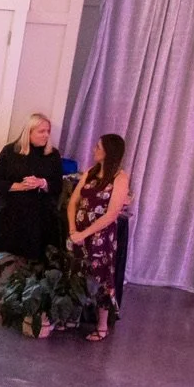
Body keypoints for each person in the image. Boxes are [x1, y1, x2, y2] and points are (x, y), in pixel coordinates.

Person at [67, 134, 130, 343]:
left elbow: (112, 214)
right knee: (77, 274)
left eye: (98, 147)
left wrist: (84, 234)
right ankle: (73, 316)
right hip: (79, 233)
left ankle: (102, 325)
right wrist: (73, 229)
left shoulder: (119, 178)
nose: (94, 149)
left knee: (101, 278)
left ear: (108, 152)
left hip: (100, 237)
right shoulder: (89, 173)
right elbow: (73, 201)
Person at [0, 113, 65, 268]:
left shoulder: (52, 155)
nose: (46, 135)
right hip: (9, 214)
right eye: (41, 131)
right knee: (0, 258)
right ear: (29, 132)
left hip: (37, 217)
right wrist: (20, 186)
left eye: (48, 131)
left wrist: (41, 183)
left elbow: (57, 186)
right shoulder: (10, 151)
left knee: (30, 261)